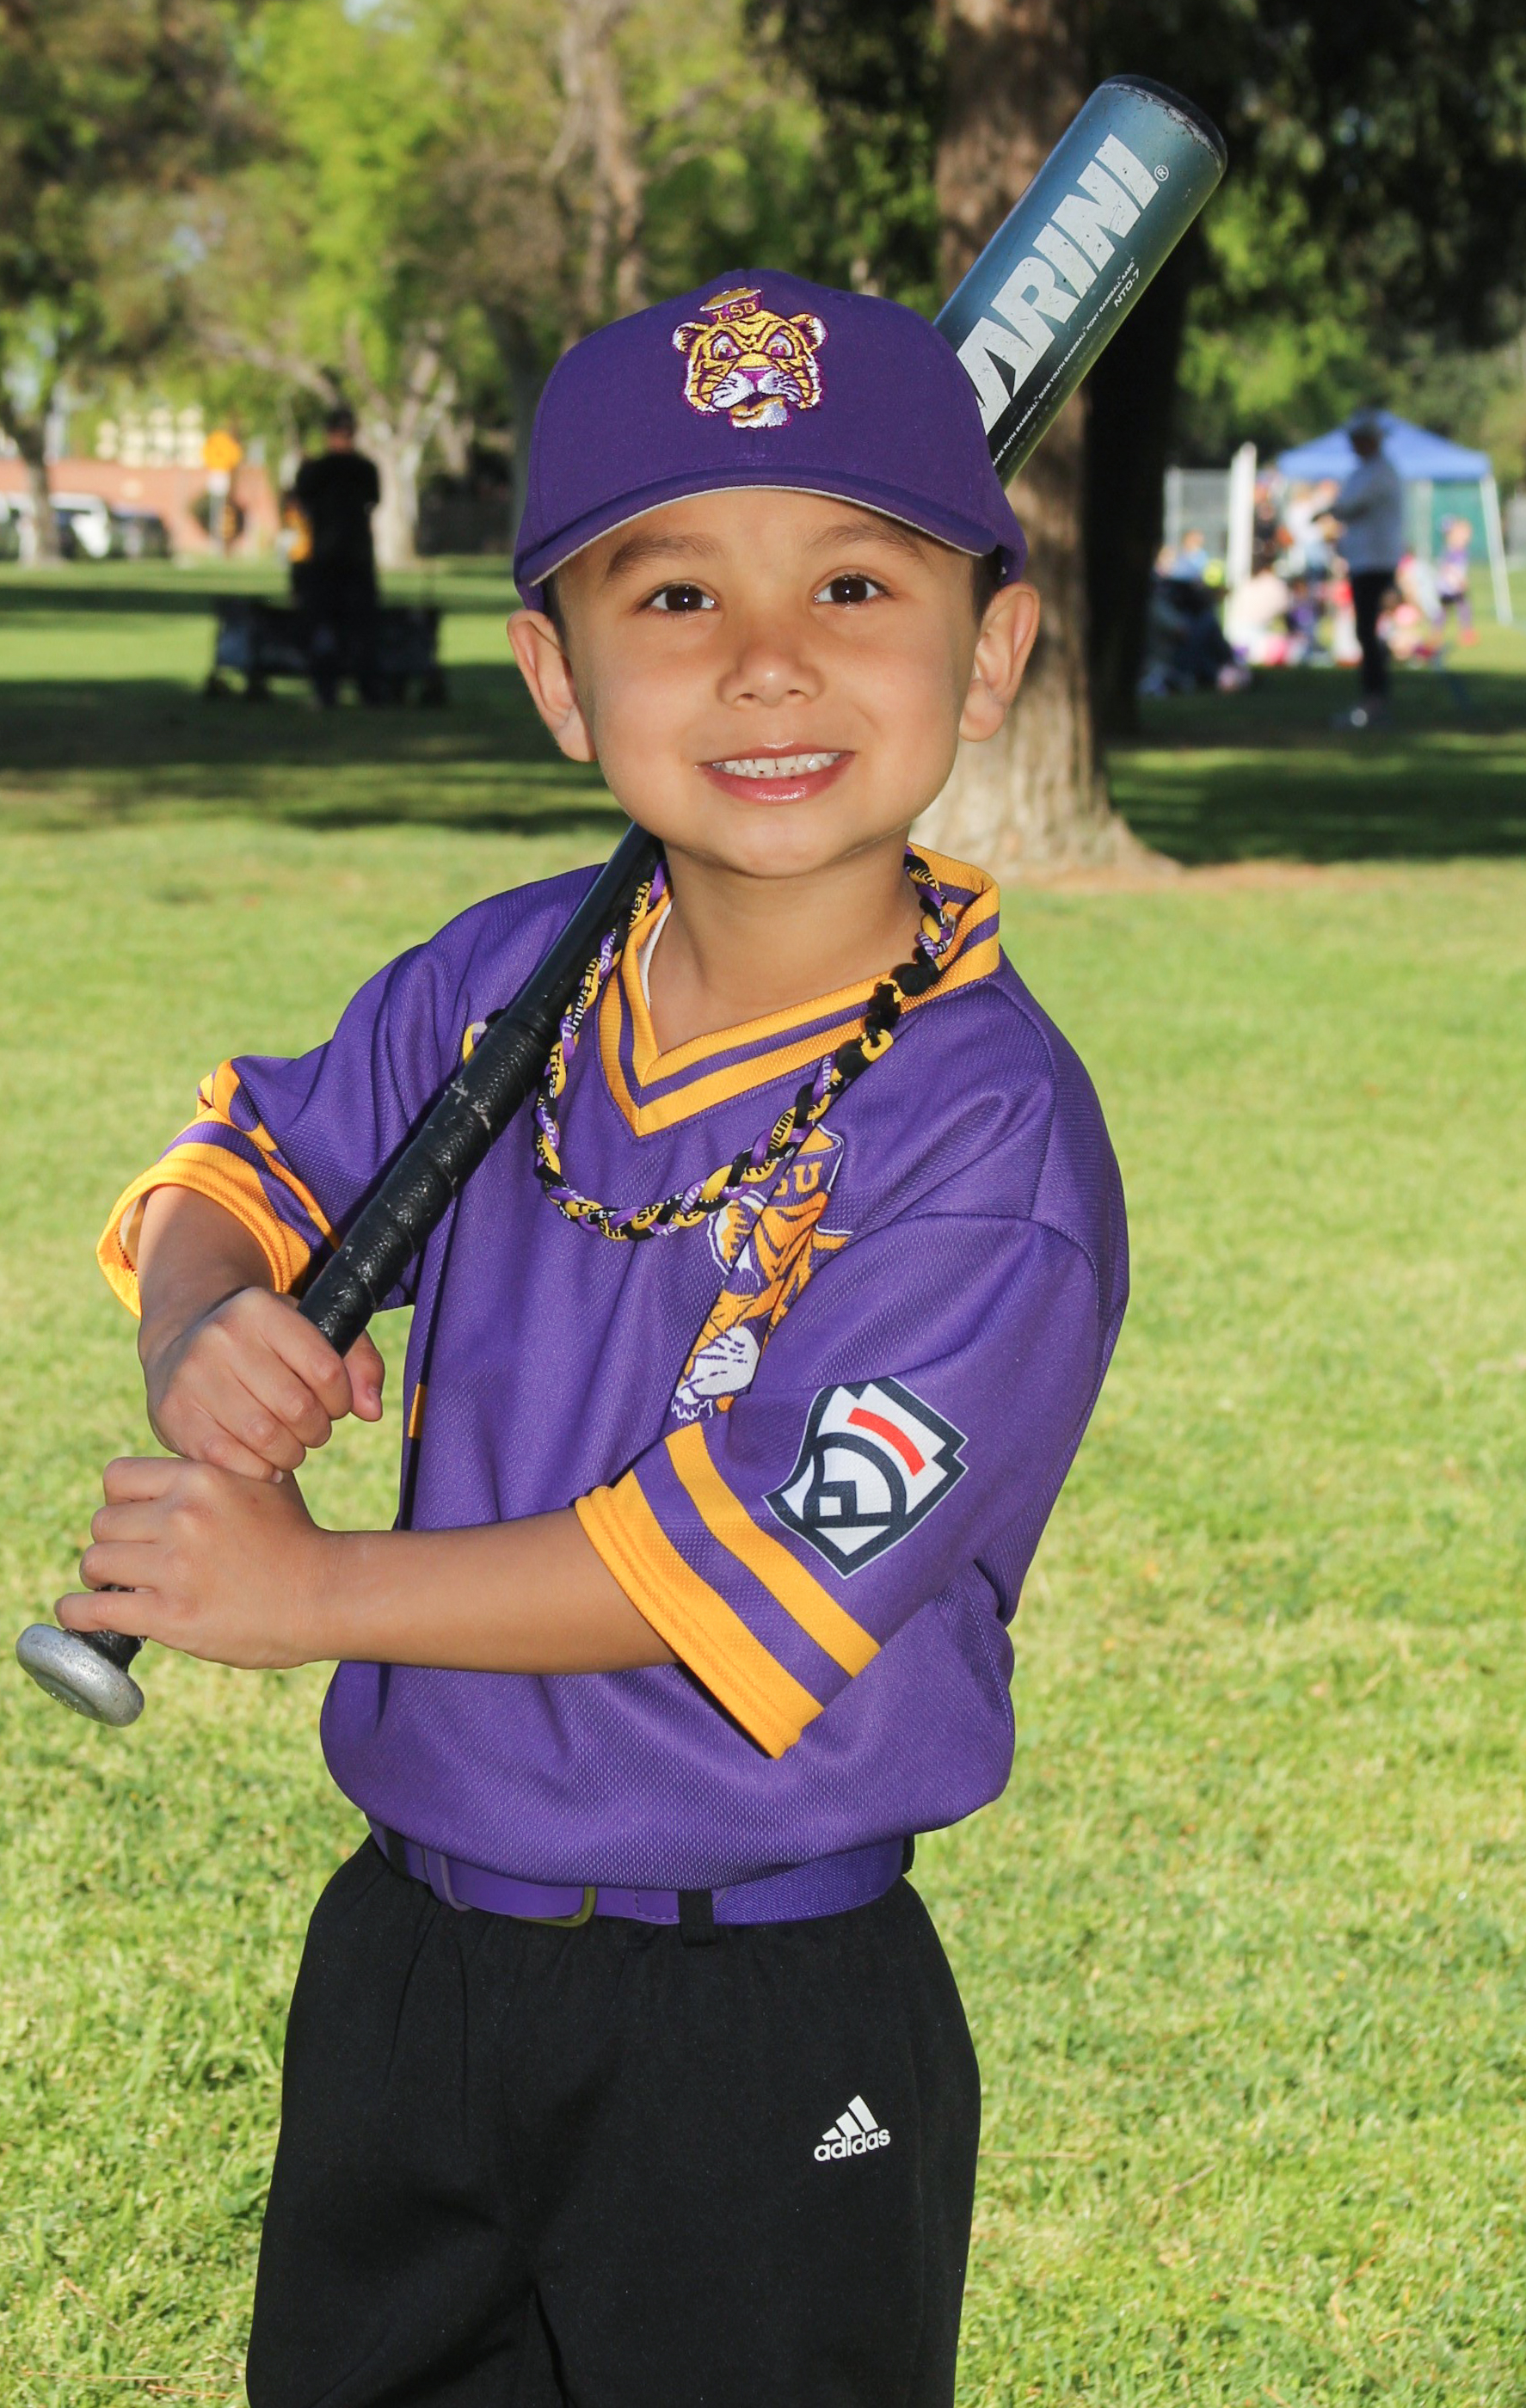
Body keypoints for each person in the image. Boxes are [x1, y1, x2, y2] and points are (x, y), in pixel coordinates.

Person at [65, 272, 1128, 2407]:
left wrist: (312, 1593)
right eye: (672, 597)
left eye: (853, 584)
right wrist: (208, 1320)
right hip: (412, 1971)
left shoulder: (988, 1146)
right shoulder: (504, 978)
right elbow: (239, 1163)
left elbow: (734, 1558)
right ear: (559, 677)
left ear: (993, 652)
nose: (765, 662)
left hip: (757, 2008)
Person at [1320, 409, 1404, 729]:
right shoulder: (1365, 471)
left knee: (1368, 631)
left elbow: (1350, 505)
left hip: (1375, 562)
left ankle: (1375, 699)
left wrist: (1328, 511)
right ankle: (1374, 696)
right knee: (1365, 631)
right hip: (1364, 561)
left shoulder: (1379, 472)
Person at [292, 405, 382, 706]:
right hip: (346, 559)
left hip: (335, 559)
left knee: (335, 628)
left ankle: (336, 690)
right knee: (351, 629)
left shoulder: (319, 470)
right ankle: (352, 690)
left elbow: (301, 502)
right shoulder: (362, 469)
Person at [1437, 513, 1476, 643]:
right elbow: (1447, 567)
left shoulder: (1458, 548)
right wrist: (1459, 579)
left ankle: (1464, 632)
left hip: (1452, 583)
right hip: (1450, 584)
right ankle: (1439, 633)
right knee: (1453, 607)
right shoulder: (1452, 549)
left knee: (1460, 606)